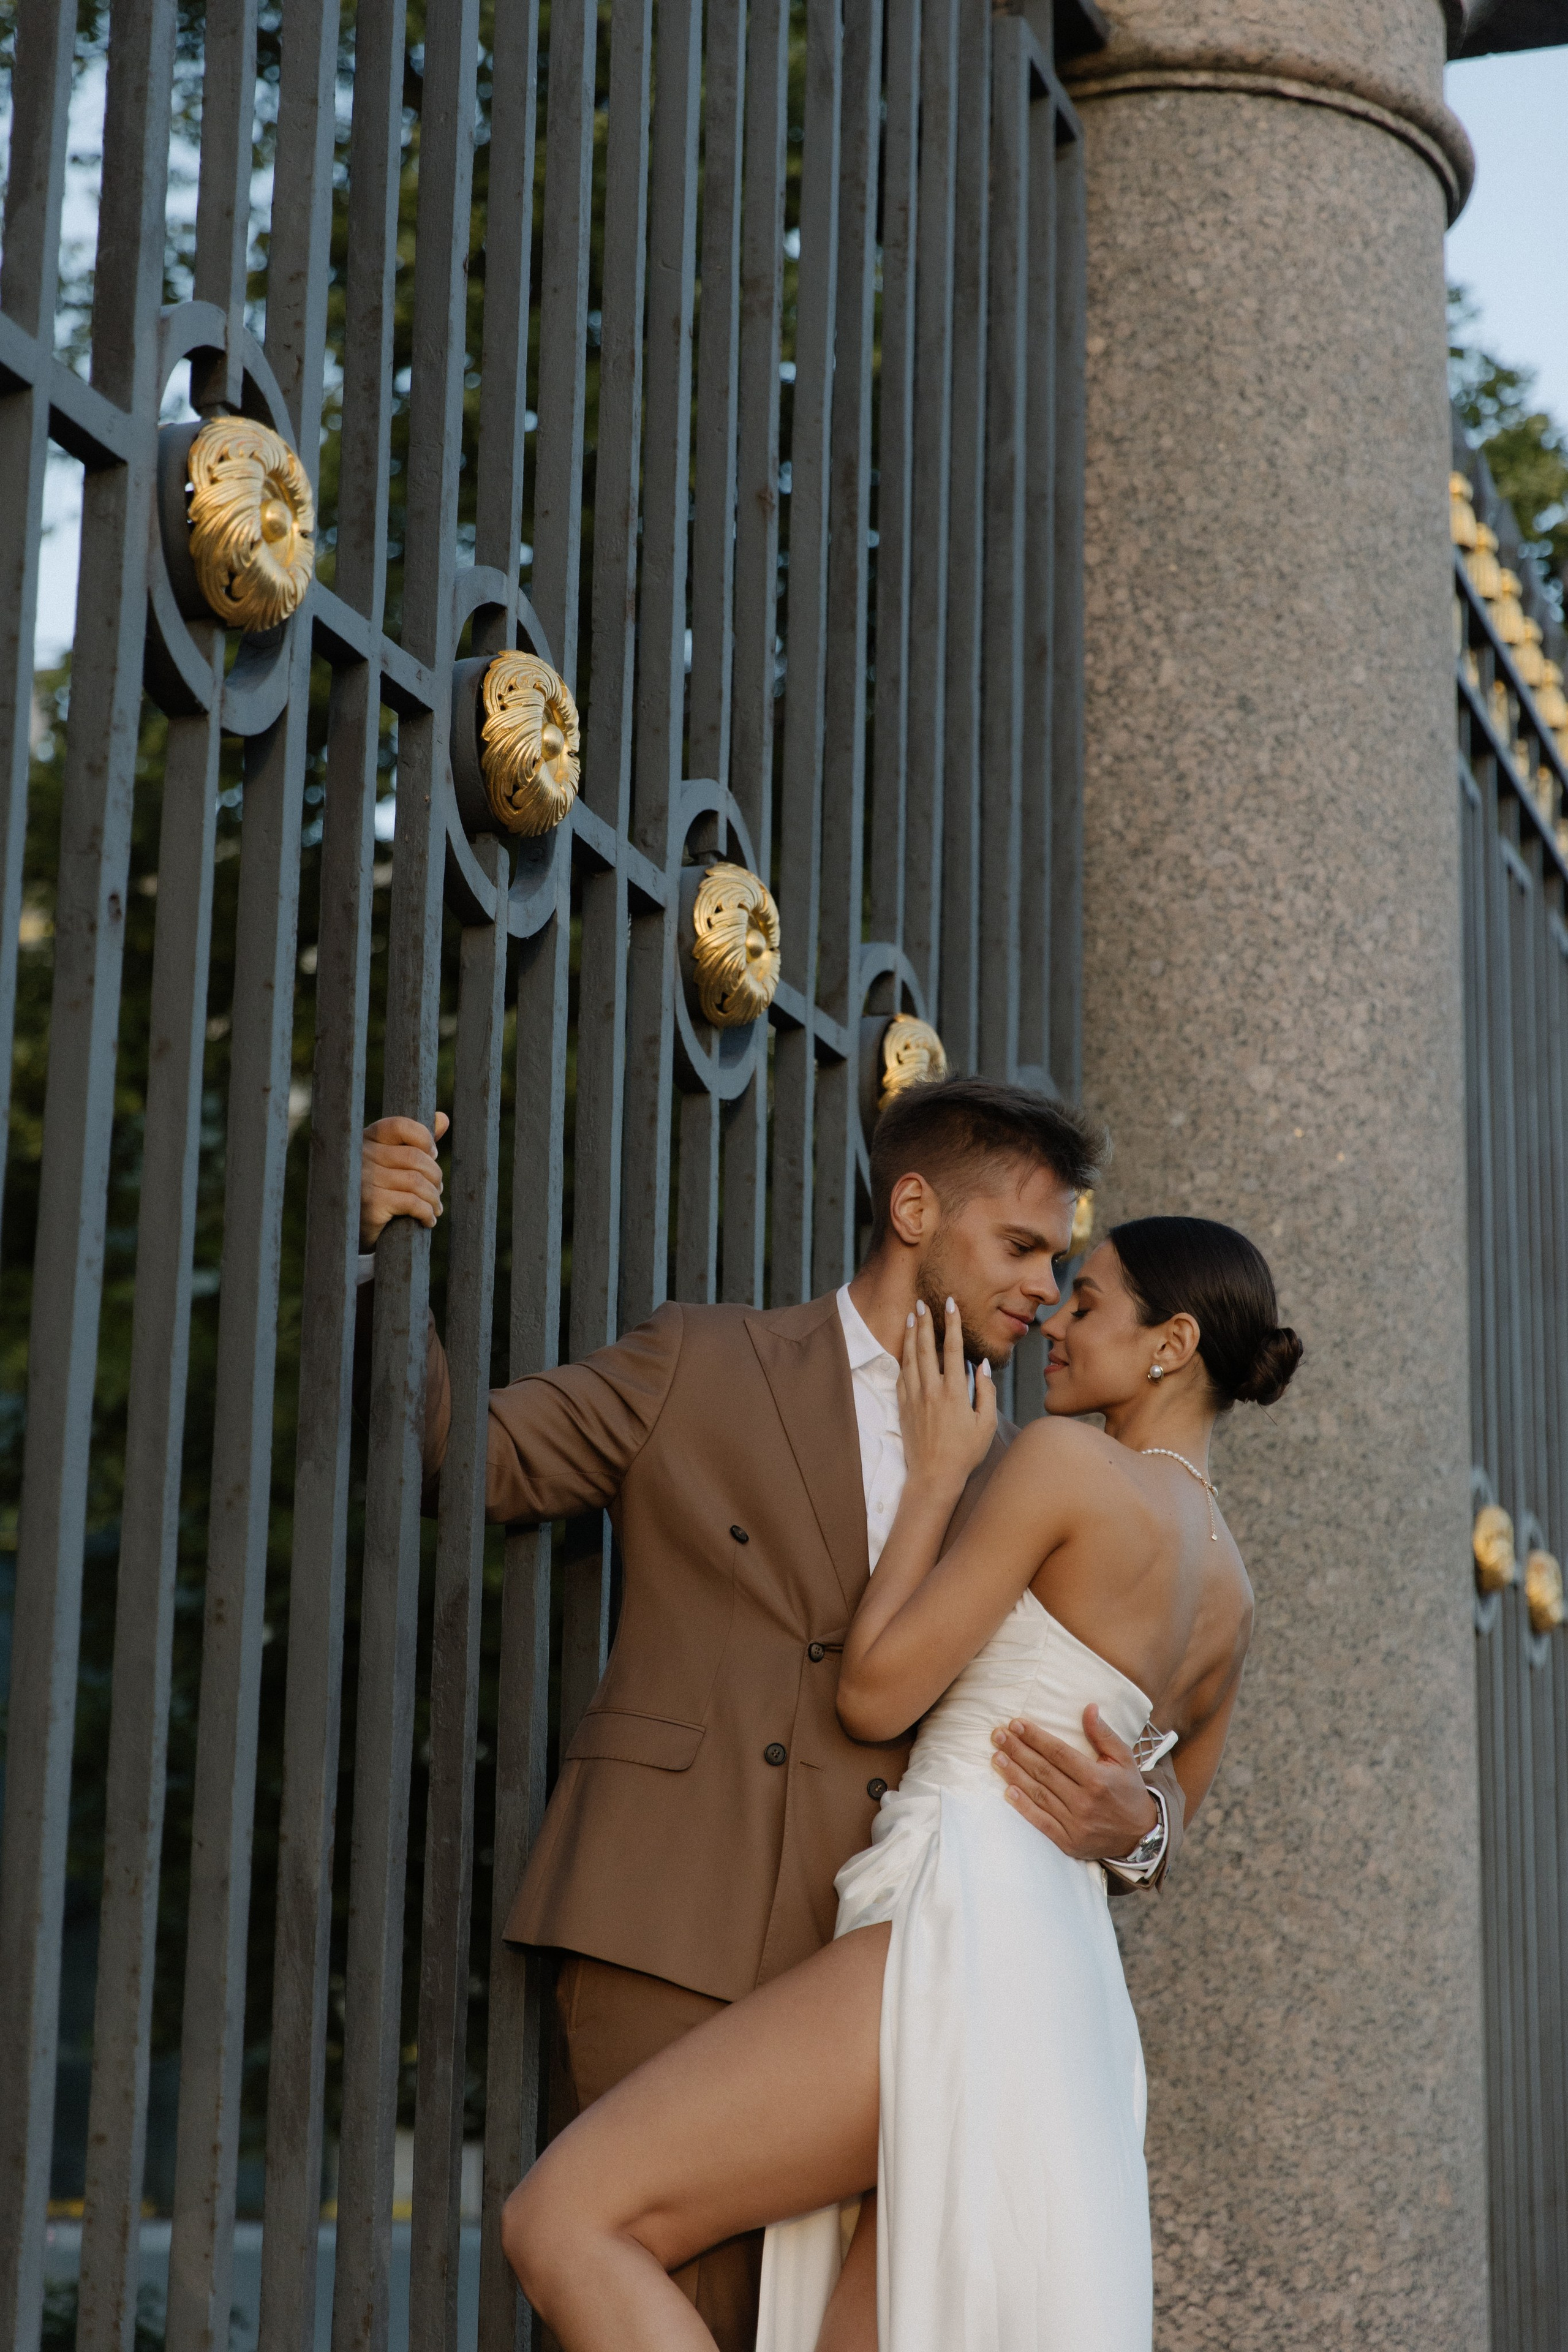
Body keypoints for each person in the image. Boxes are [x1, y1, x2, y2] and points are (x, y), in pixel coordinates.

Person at [358, 1078, 1189, 2350]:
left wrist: (1140, 1824)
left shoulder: (1025, 1464)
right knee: (648, 2284)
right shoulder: (703, 1358)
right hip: (673, 1915)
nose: (1039, 1286)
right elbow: (459, 1458)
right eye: (1019, 1246)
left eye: (1059, 1261)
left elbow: (1125, 1724)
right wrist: (382, 1257)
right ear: (912, 1206)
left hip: (893, 1969)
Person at [496, 1215, 1301, 2351]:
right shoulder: (1234, 1589)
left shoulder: (1066, 1466)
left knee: (567, 2215)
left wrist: (934, 1479)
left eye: (1088, 1302)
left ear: (1171, 1343)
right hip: (1063, 1984)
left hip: (955, 1920)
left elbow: (872, 1693)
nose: (1053, 1326)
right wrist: (1138, 1825)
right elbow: (1159, 1835)